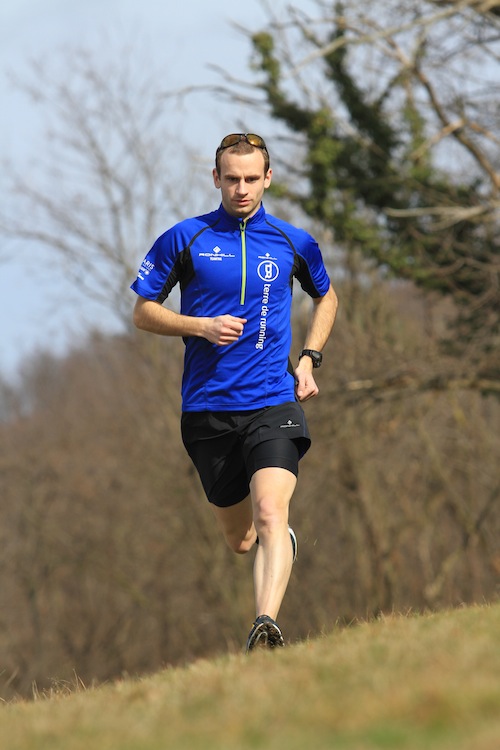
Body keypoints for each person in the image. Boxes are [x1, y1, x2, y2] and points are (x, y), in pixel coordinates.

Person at [131, 132, 338, 652]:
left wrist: (310, 358)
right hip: (207, 410)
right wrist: (197, 326)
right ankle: (272, 544)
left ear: (268, 178)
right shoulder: (185, 239)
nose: (242, 188)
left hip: (273, 402)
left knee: (271, 512)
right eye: (232, 178)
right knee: (242, 538)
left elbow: (326, 296)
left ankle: (265, 625)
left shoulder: (293, 241)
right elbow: (142, 312)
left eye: (252, 178)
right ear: (216, 178)